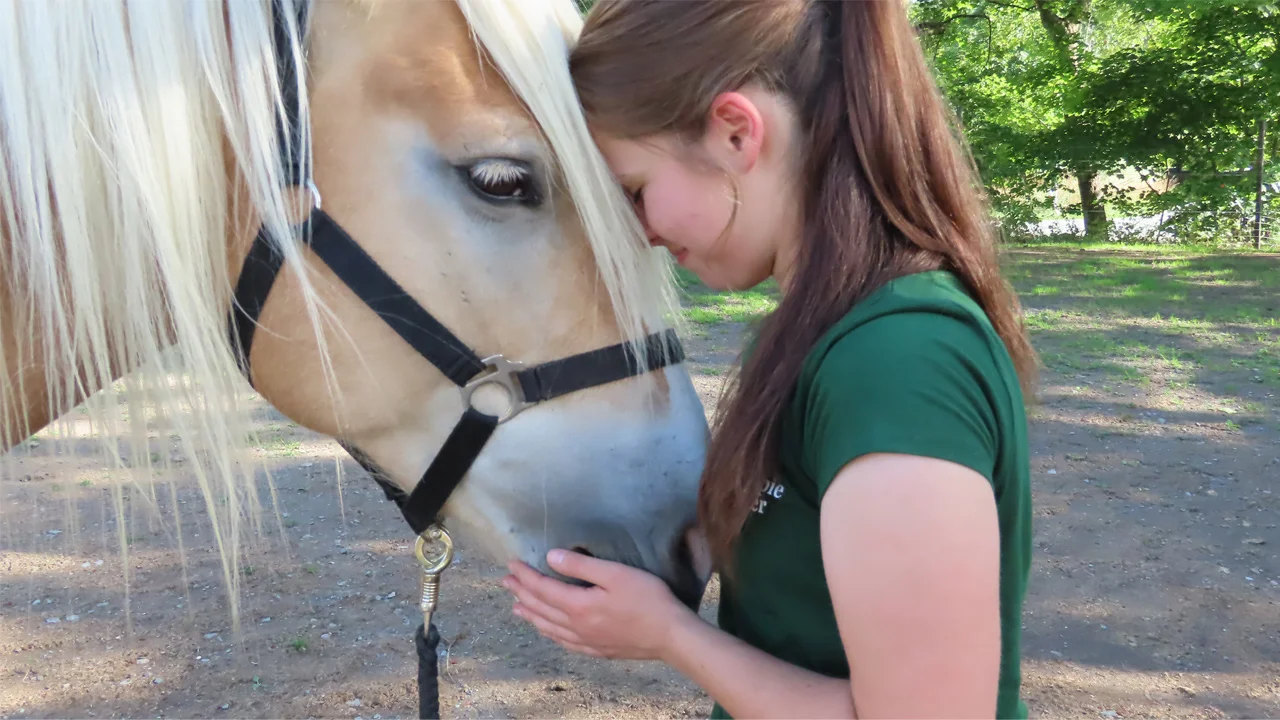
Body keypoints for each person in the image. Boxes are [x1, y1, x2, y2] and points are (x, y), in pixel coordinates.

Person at [501, 1, 1038, 718]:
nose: (640, 234)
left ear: (735, 132)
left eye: (635, 191)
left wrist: (669, 635)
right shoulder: (822, 334)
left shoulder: (898, 360)